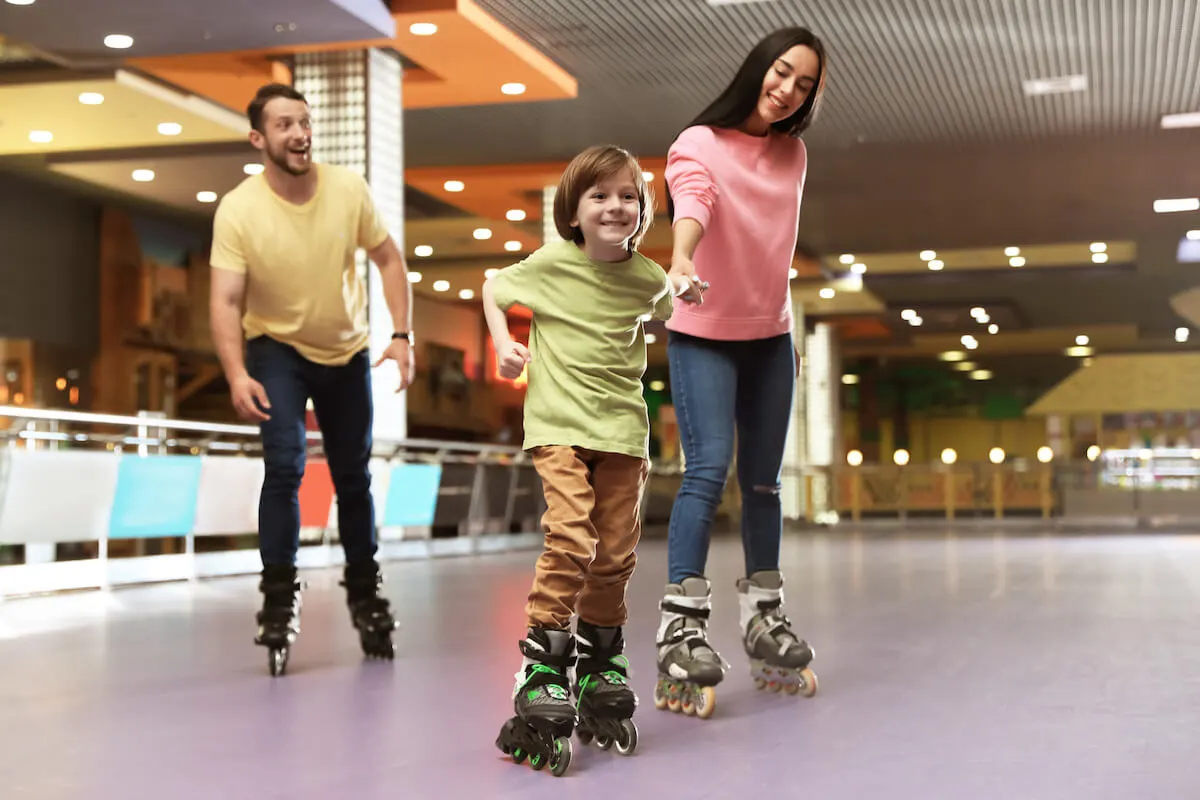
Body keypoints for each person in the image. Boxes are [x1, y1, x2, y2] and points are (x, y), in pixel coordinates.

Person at [484, 145, 699, 776]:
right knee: (571, 535)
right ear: (573, 212)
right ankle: (542, 662)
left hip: (623, 434)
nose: (615, 206)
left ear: (643, 210)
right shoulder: (550, 264)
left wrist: (690, 293)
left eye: (628, 196)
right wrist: (503, 345)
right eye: (599, 196)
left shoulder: (647, 279)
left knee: (615, 552)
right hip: (557, 425)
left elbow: (673, 304)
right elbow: (494, 289)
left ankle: (601, 659)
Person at [208, 83, 416, 676]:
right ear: (259, 139)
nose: (299, 134)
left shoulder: (348, 189)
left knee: (353, 475)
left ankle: (365, 591)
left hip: (344, 349)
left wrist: (401, 335)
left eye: (304, 122)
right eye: (284, 125)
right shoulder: (240, 209)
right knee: (286, 466)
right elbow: (225, 300)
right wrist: (236, 373)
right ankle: (277, 597)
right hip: (275, 347)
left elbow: (389, 259)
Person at [652, 27, 829, 718]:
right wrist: (683, 257)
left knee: (762, 482)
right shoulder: (697, 142)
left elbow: (767, 233)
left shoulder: (795, 154)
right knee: (706, 470)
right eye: (781, 72)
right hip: (703, 333)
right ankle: (682, 624)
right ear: (759, 68)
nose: (786, 89)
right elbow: (695, 198)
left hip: (770, 337)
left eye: (804, 84)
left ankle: (764, 613)